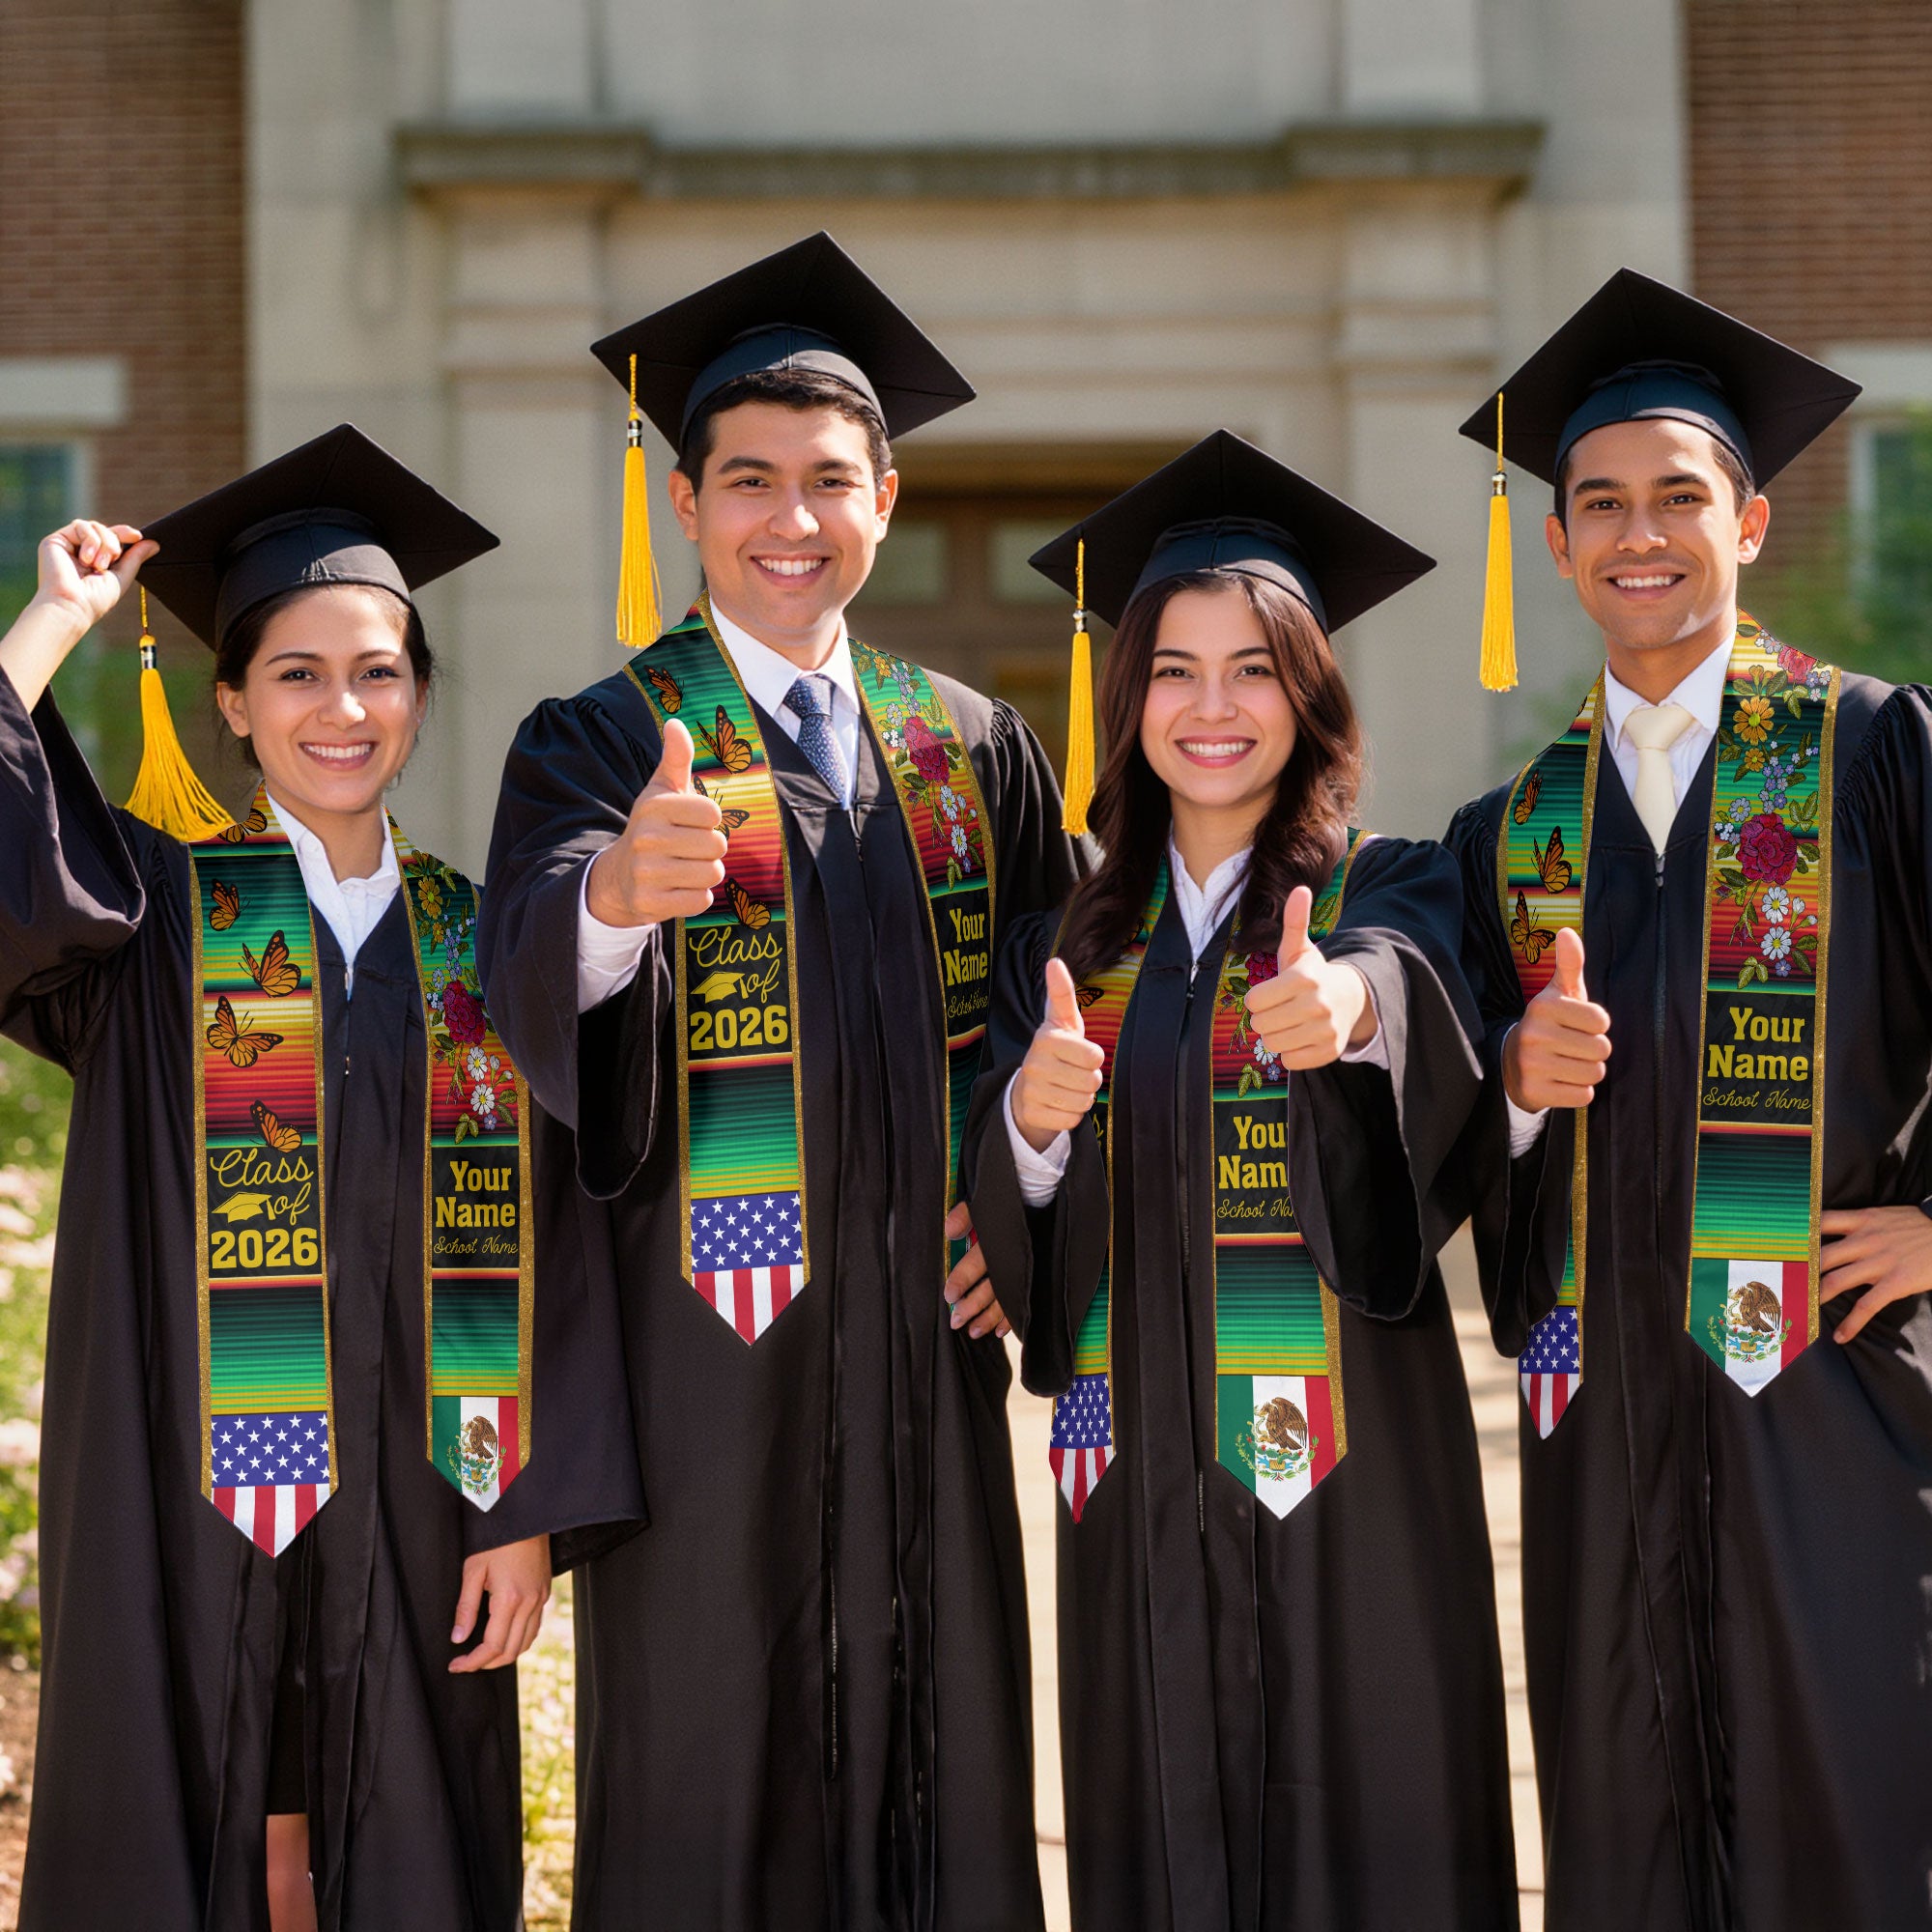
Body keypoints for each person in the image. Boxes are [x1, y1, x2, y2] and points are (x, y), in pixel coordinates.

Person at [478, 233, 1083, 1931]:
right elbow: (525, 977)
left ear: (886, 497)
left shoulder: (971, 745)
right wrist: (610, 900)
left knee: (942, 1763)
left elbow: (1074, 1012)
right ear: (687, 504)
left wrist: (1021, 1197)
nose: (790, 519)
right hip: (707, 1375)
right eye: (749, 481)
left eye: (831, 481)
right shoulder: (601, 739)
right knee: (710, 1779)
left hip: (923, 1361)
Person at [0, 425, 640, 1931]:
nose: (341, 708)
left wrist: (524, 1506)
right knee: (197, 1803)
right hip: (184, 1483)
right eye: (295, 673)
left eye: (378, 671)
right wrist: (51, 624)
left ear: (419, 694)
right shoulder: (153, 913)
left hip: (426, 1492)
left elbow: (566, 1237)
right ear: (231, 701)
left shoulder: (488, 942)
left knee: (406, 1829)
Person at [965, 431, 1518, 1931]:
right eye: (1175, 670)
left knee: (1375, 1827)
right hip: (1134, 1472)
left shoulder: (1386, 887)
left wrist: (1348, 1013)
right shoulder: (1065, 946)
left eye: (1256, 669)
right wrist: (1026, 1118)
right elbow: (1018, 1223)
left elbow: (1415, 996)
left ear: (1311, 693)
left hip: (1352, 1478)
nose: (1214, 709)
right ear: (1127, 696)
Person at [1446, 270, 1932, 1931]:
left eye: (1678, 497)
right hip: (1604, 1423)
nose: (1637, 534)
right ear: (1562, 543)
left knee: (1852, 1805)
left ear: (1752, 519)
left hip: (1832, 1397)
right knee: (1624, 1817)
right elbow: (1441, 1120)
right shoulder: (1517, 826)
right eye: (1599, 504)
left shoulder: (1868, 751)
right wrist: (1511, 1089)